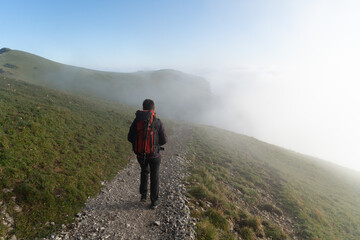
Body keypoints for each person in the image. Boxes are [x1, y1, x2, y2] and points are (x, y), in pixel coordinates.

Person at [127, 99, 167, 209]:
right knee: (155, 176)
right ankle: (154, 201)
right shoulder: (157, 122)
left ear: (143, 108)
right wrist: (154, 144)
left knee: (144, 171)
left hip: (140, 154)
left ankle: (143, 196)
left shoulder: (137, 121)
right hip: (154, 155)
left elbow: (130, 137)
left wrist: (140, 144)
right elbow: (164, 140)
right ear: (153, 109)